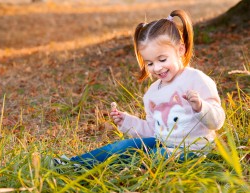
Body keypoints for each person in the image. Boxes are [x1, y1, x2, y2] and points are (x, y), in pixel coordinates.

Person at [54, 10, 225, 169]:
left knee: (157, 155)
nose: (157, 68)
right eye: (149, 63)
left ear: (180, 49)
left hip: (195, 149)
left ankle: (131, 169)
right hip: (163, 142)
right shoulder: (152, 93)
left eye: (162, 59)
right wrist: (126, 121)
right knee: (122, 146)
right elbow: (153, 131)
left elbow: (217, 122)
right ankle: (72, 164)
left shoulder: (196, 79)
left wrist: (200, 107)